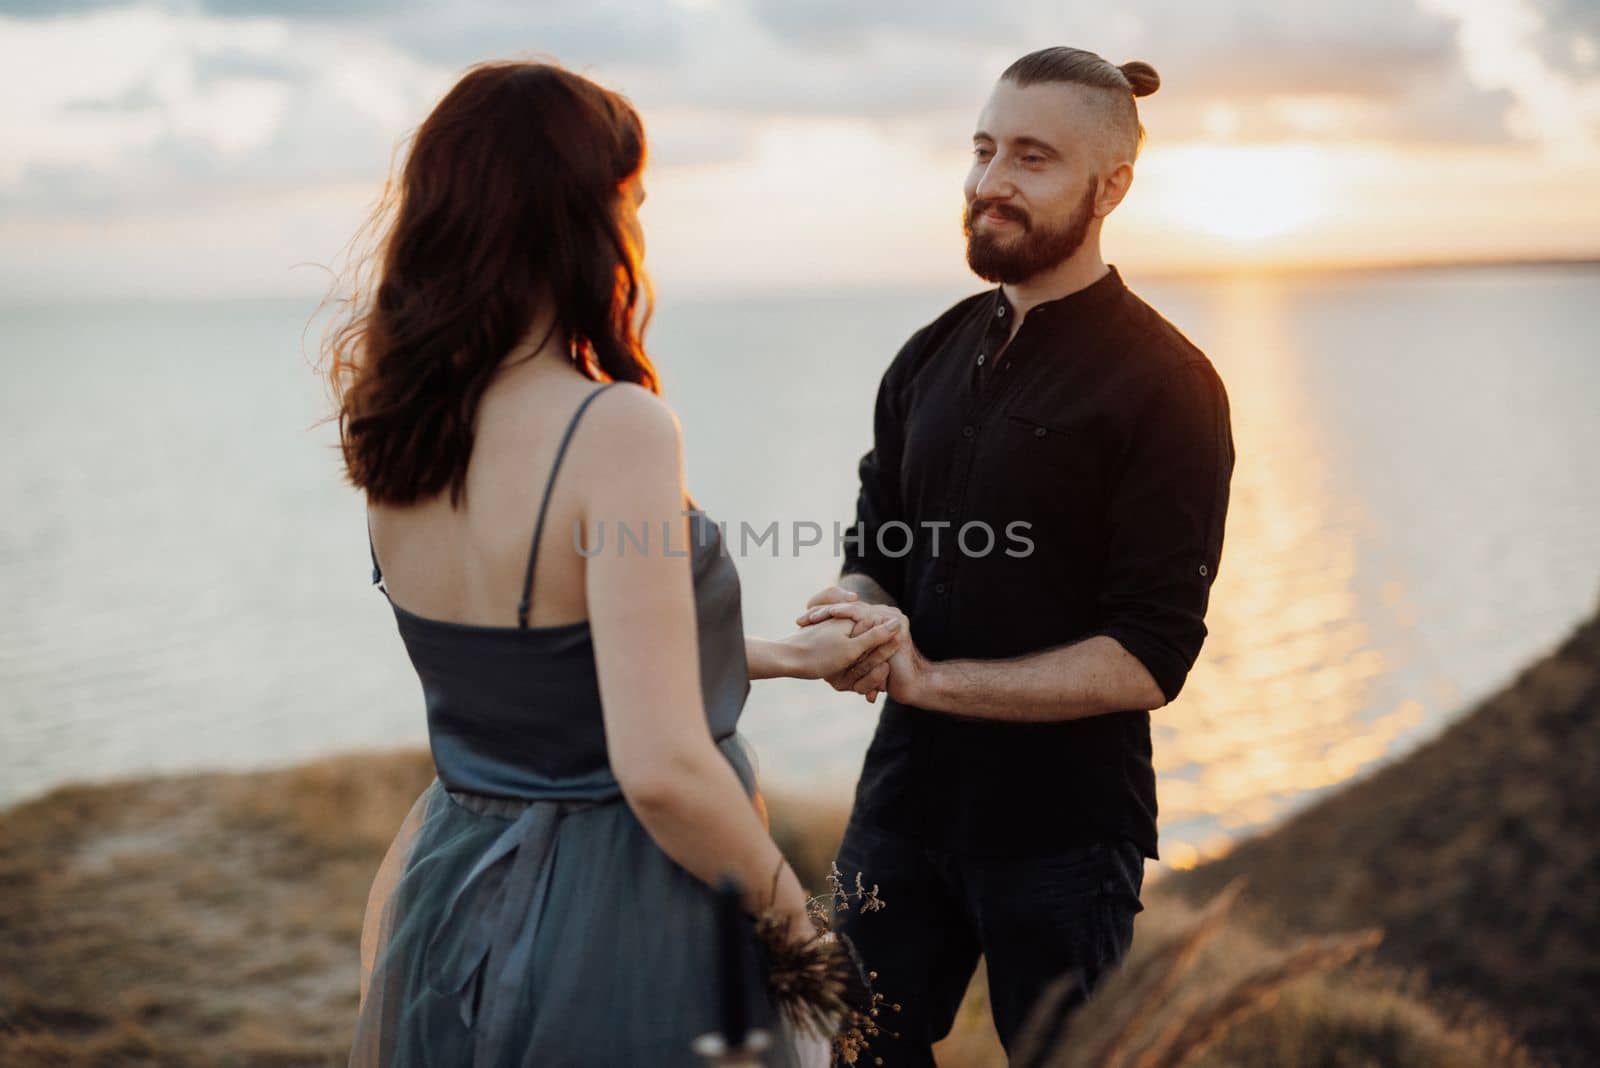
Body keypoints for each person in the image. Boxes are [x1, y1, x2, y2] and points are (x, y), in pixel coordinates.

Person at [323, 60, 900, 1066]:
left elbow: (550, 662)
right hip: (617, 902)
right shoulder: (614, 427)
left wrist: (787, 655)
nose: (638, 231)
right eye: (629, 201)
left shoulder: (399, 426)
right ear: (579, 219)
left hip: (454, 883)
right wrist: (800, 939)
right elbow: (664, 770)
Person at [797, 47, 1237, 1065]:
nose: (990, 182)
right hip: (898, 810)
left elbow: (1147, 655)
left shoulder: (1169, 385)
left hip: (1066, 840)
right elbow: (875, 549)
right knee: (857, 1057)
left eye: (1030, 158)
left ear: (1110, 184)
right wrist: (853, 613)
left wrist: (931, 680)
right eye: (984, 149)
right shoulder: (927, 354)